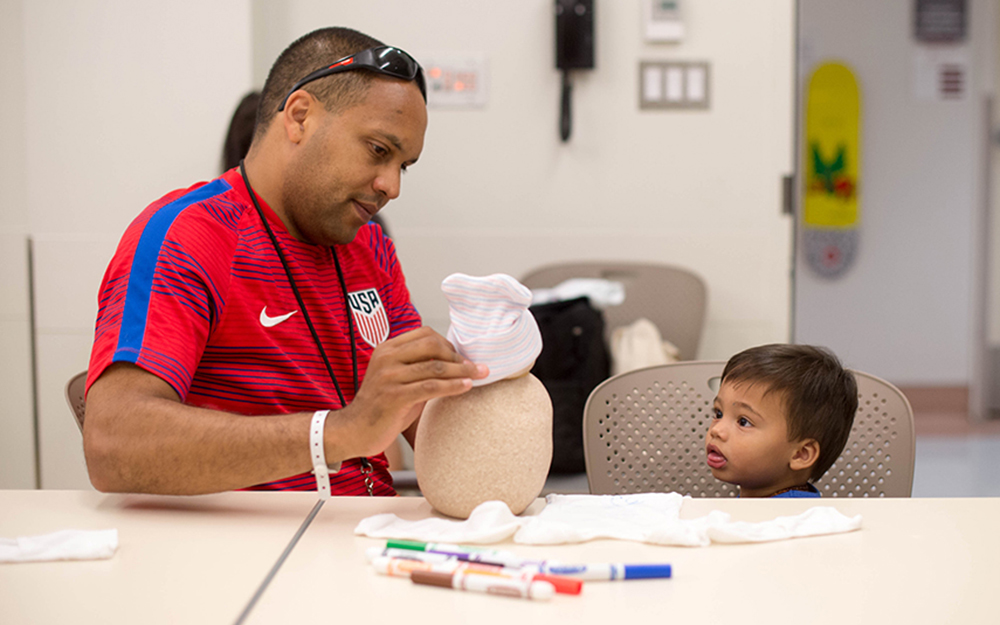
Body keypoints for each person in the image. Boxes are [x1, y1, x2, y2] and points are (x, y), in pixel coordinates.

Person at [83, 26, 487, 496]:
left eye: (403, 166)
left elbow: (427, 423)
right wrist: (339, 432)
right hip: (249, 556)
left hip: (364, 541)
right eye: (379, 150)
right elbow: (114, 444)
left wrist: (492, 371)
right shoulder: (189, 235)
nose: (391, 186)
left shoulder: (369, 247)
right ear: (299, 117)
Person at [704, 344, 857, 498]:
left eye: (744, 422)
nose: (716, 430)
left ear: (800, 454)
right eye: (718, 413)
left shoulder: (792, 519)